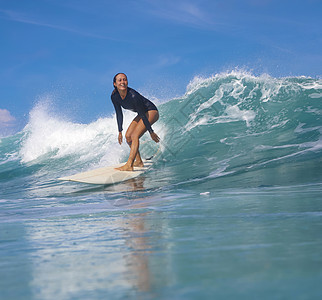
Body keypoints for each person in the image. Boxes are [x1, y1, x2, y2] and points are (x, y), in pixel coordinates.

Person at [111, 73, 160, 171]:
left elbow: (142, 114)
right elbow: (119, 113)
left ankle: (129, 165)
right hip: (142, 113)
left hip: (151, 111)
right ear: (115, 84)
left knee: (134, 136)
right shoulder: (114, 96)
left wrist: (151, 132)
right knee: (128, 136)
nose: (122, 82)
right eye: (120, 80)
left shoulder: (133, 95)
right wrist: (120, 131)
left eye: (124, 80)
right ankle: (139, 162)